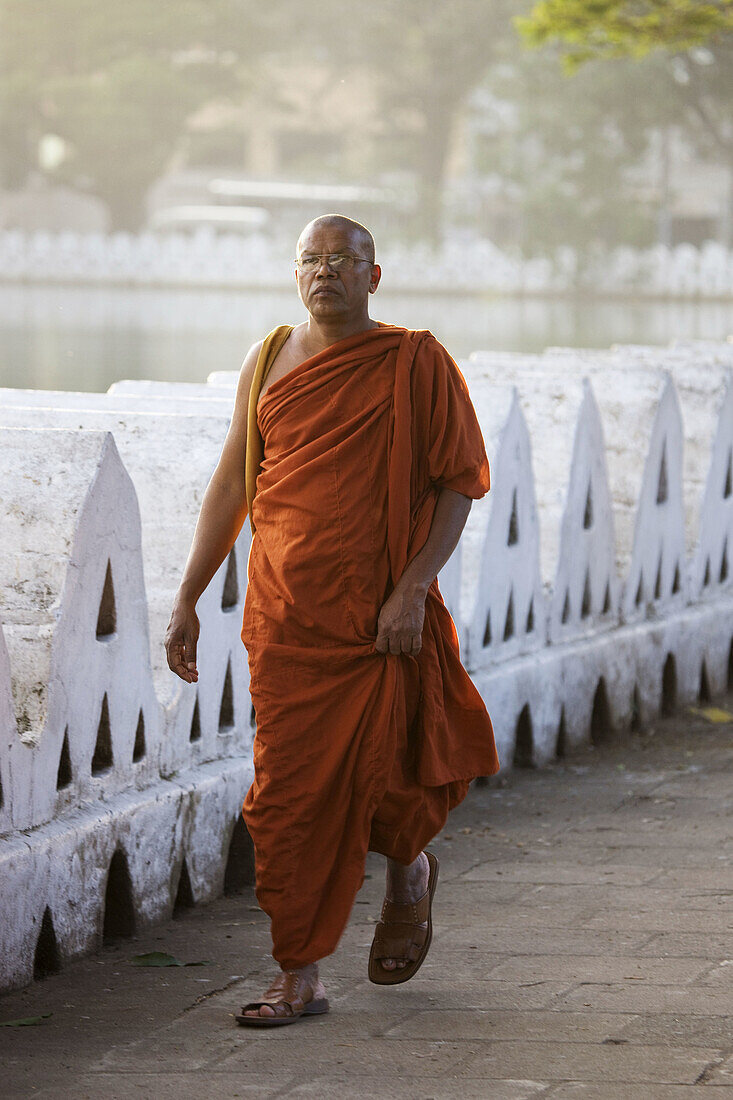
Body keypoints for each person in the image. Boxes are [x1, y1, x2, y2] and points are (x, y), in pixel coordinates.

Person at [165, 214, 499, 1028]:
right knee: (287, 797)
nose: (325, 273)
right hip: (284, 618)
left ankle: (409, 871)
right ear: (294, 274)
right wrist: (187, 595)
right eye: (310, 260)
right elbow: (230, 486)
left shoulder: (416, 362)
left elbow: (459, 481)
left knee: (385, 771)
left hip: (378, 614)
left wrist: (412, 590)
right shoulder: (266, 360)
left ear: (373, 277)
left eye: (343, 261)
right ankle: (300, 974)